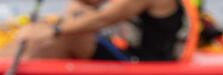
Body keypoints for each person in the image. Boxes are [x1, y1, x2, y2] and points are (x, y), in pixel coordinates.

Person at [13, 0, 199, 62]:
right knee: (76, 9)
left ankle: (19, 68)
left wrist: (53, 30)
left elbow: (103, 19)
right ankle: (12, 61)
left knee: (69, 35)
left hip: (144, 62)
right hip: (126, 50)